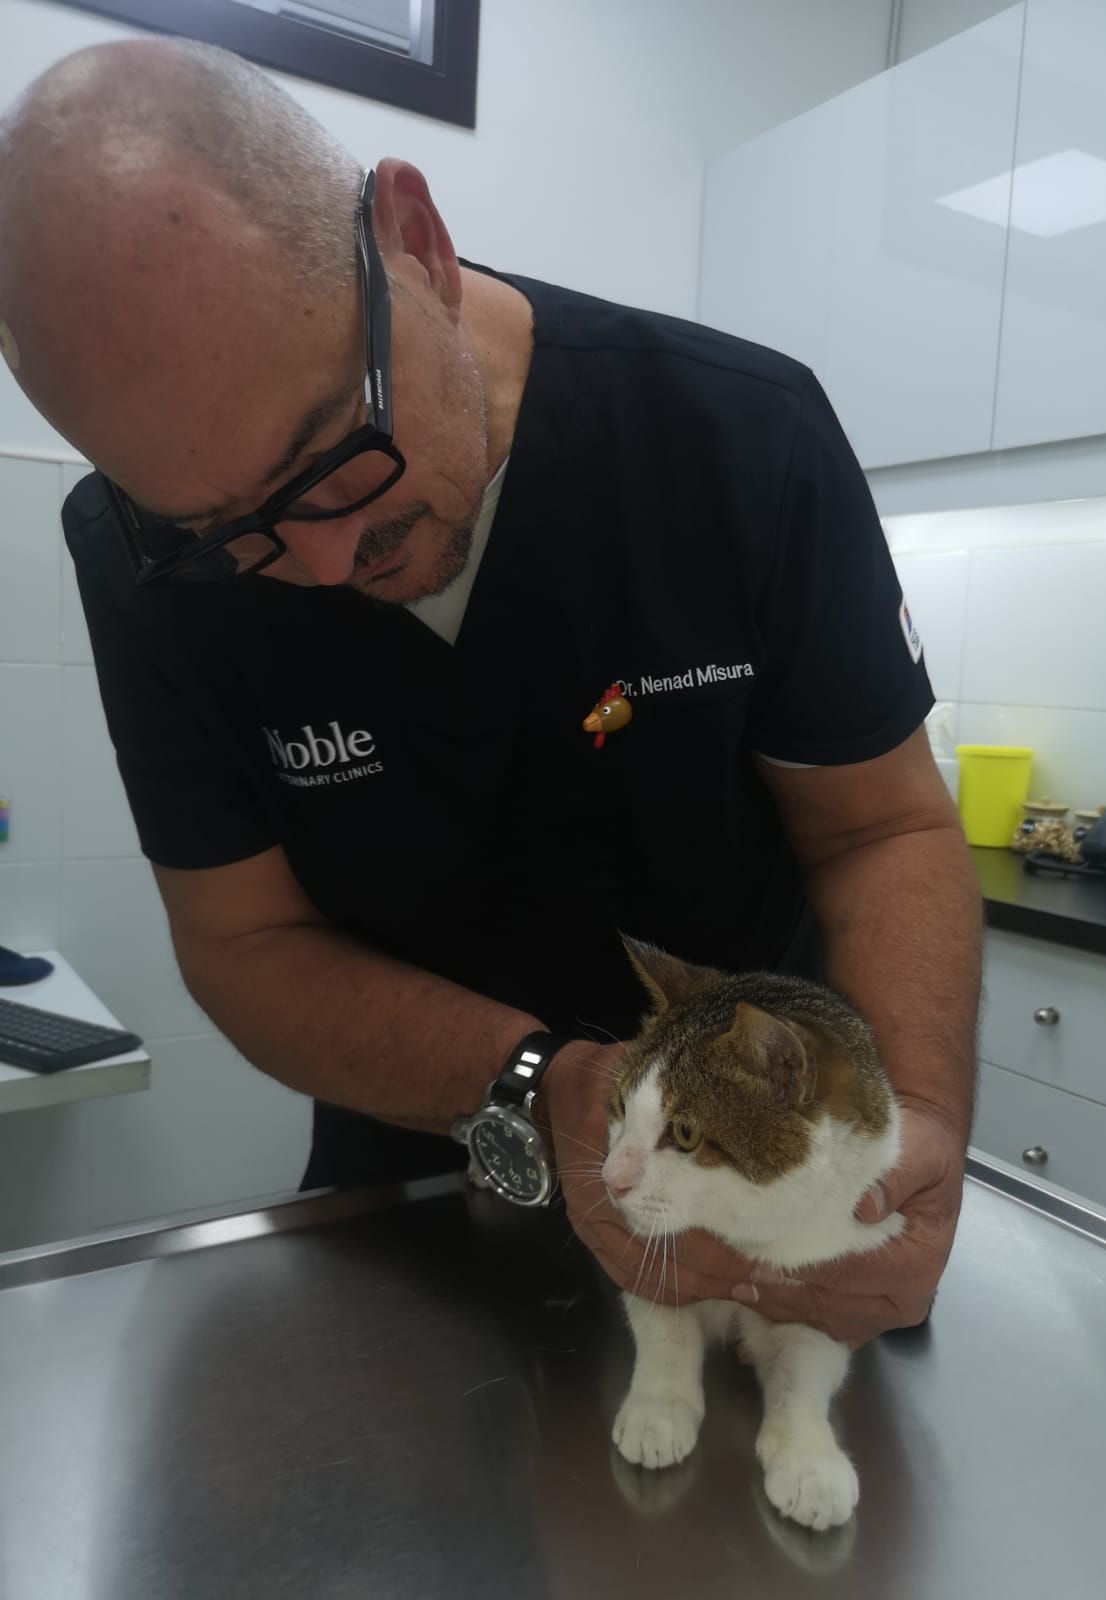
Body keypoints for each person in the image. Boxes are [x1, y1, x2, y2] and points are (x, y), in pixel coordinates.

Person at [0, 39, 981, 1346]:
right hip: (411, 1208)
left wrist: (910, 1125)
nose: (328, 565)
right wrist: (532, 1086)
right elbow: (241, 941)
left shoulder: (738, 439)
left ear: (416, 241)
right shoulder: (143, 572)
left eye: (332, 459)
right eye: (223, 530)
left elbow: (883, 830)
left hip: (769, 1214)